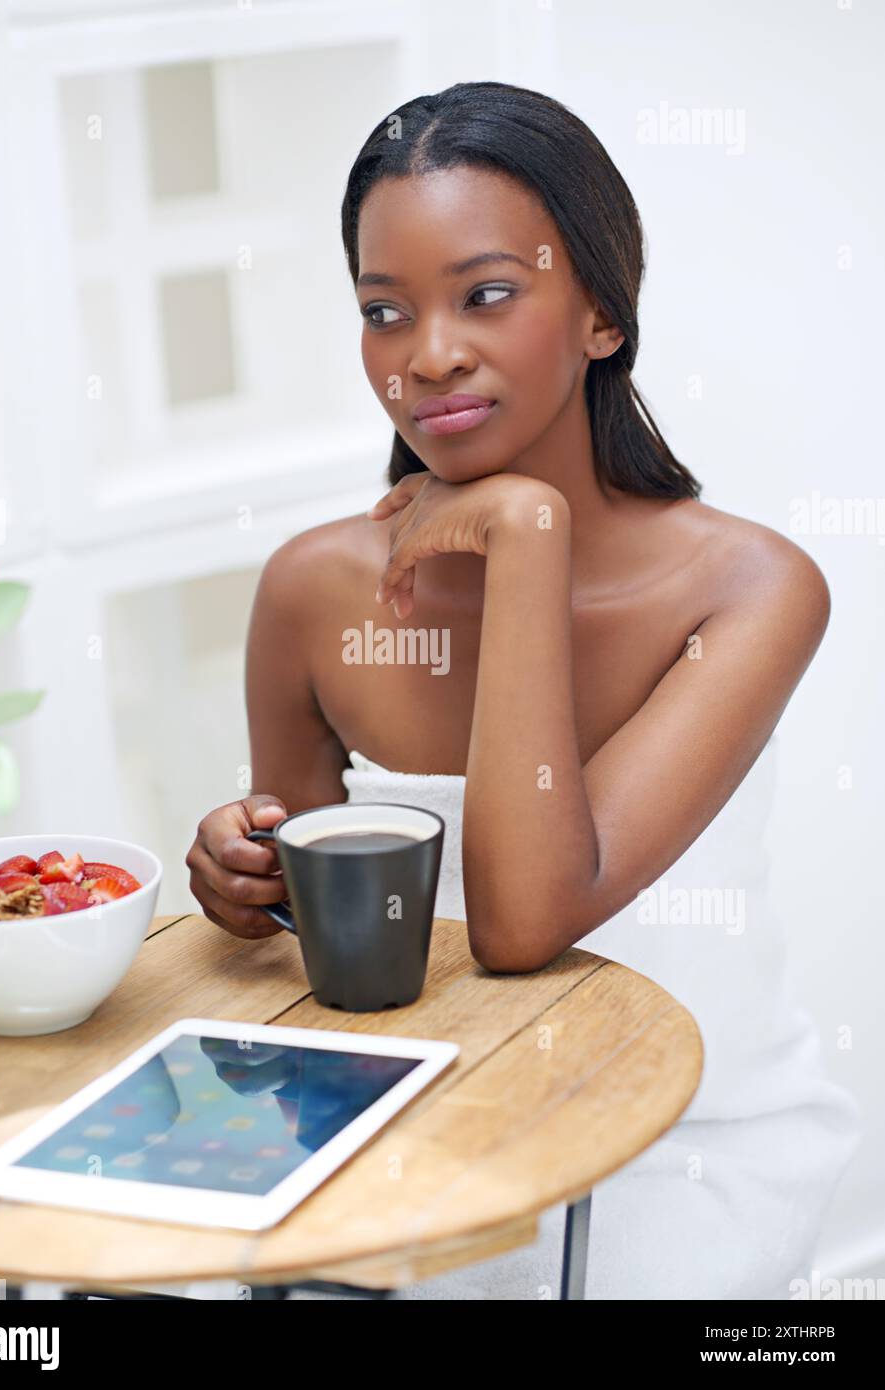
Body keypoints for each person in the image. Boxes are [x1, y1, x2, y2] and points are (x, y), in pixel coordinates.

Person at [185, 82, 861, 1298]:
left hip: (682, 1153)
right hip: (426, 1138)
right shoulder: (309, 593)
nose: (427, 352)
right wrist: (246, 880)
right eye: (383, 311)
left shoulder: (753, 587)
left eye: (484, 295)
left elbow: (521, 919)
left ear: (601, 309)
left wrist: (527, 535)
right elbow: (318, 954)